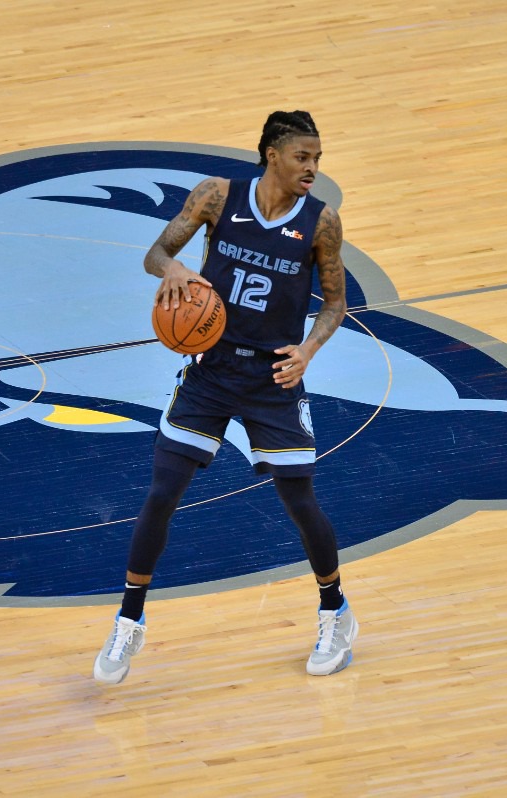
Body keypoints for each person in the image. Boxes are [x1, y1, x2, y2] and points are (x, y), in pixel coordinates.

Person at [93, 110, 356, 685]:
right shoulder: (217, 196)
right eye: (302, 157)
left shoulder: (321, 223)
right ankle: (129, 621)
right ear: (272, 155)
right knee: (162, 491)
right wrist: (176, 270)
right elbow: (155, 255)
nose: (312, 168)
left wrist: (308, 350)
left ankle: (335, 611)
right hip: (210, 370)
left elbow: (334, 302)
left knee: (299, 502)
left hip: (273, 381)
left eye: (317, 158)